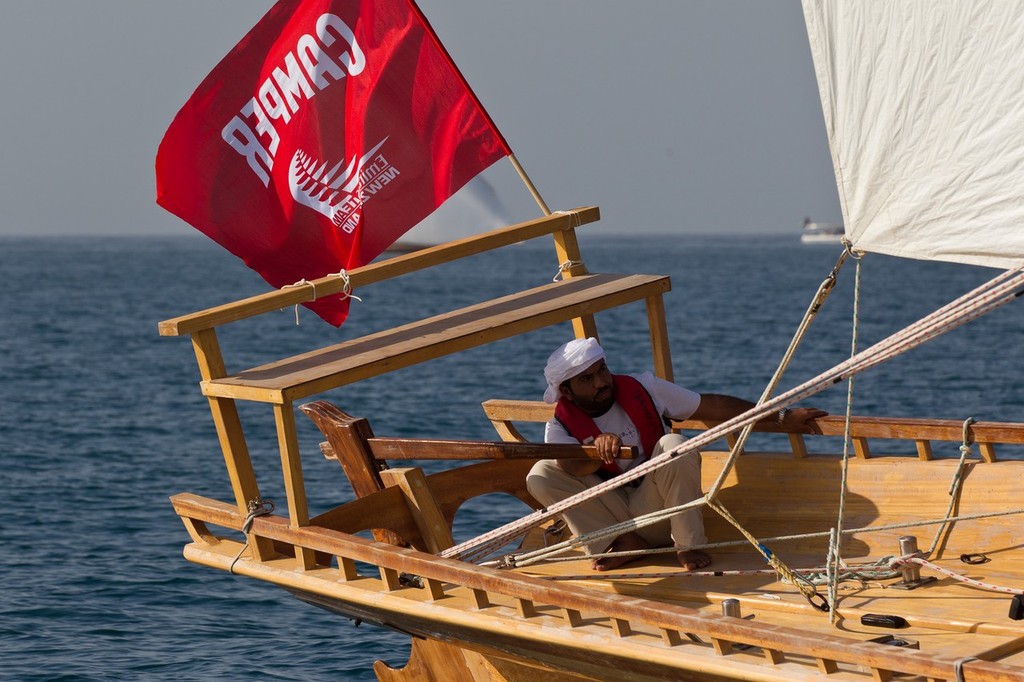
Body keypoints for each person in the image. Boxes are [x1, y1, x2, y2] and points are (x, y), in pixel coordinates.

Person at [526, 337, 826, 572]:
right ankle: (619, 543)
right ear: (566, 392)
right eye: (586, 380)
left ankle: (687, 545)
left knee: (673, 444)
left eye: (601, 370)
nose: (601, 382)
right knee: (540, 474)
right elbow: (570, 466)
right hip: (615, 514)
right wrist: (596, 450)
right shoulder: (560, 424)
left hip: (660, 510)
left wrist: (783, 417)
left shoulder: (643, 387)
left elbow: (712, 406)